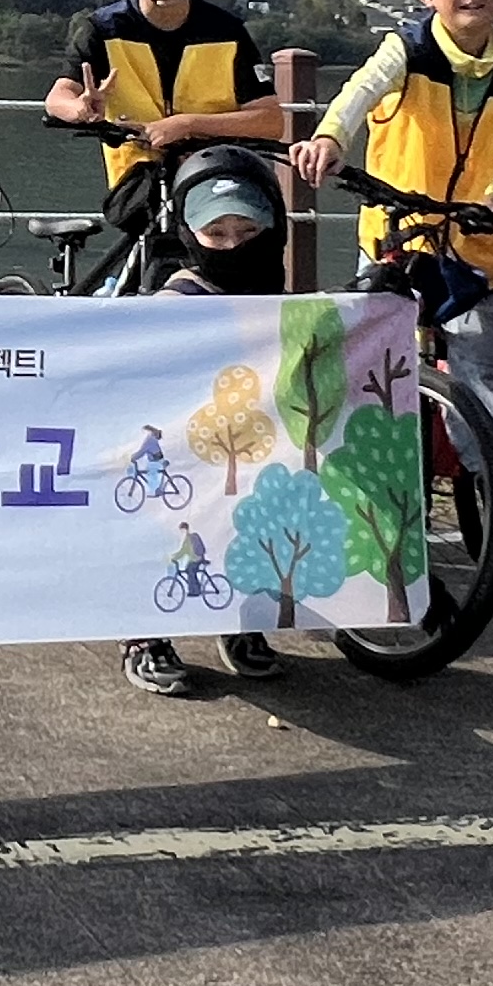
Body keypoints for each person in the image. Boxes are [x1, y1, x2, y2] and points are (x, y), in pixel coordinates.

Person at [291, 0, 493, 558]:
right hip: (396, 234)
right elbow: (357, 95)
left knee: (490, 368)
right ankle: (370, 493)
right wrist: (329, 138)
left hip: (481, 239)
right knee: (374, 366)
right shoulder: (403, 50)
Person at [125, 140, 296, 696]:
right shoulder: (176, 301)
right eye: (215, 234)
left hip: (248, 447)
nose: (232, 246)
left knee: (266, 509)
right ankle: (144, 634)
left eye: (247, 234)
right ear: (189, 235)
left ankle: (242, 620)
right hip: (177, 450)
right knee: (170, 524)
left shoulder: (283, 299)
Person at [42, 0, 289, 224]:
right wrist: (81, 111)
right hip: (137, 180)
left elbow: (270, 120)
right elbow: (57, 98)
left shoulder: (226, 32)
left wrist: (188, 124)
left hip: (215, 176)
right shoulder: (104, 29)